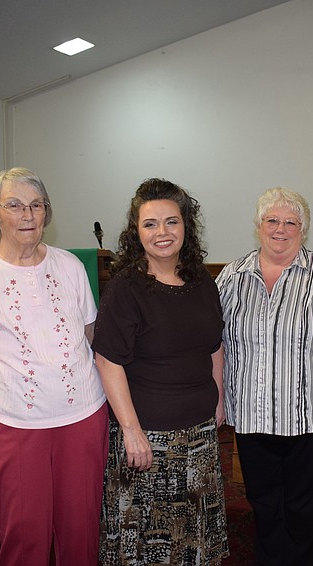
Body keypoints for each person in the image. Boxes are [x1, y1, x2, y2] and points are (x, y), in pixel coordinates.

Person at [0, 167, 108, 565]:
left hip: (83, 416)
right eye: (14, 205)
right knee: (23, 533)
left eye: (37, 205)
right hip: (13, 425)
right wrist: (3, 412)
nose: (28, 215)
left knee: (82, 528)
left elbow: (93, 340)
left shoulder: (70, 266)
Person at [216, 187, 313, 565]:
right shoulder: (234, 275)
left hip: (306, 417)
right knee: (263, 505)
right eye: (272, 220)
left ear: (304, 229)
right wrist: (217, 398)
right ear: (258, 225)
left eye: (291, 222)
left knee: (304, 508)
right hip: (251, 416)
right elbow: (214, 343)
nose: (280, 229)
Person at [93, 178, 229, 565]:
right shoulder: (126, 288)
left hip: (199, 437)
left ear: (186, 225)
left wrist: (218, 396)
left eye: (172, 221)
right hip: (149, 444)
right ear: (136, 231)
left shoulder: (202, 279)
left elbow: (214, 344)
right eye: (150, 224)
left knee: (193, 544)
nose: (162, 233)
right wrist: (132, 432)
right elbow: (108, 361)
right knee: (151, 551)